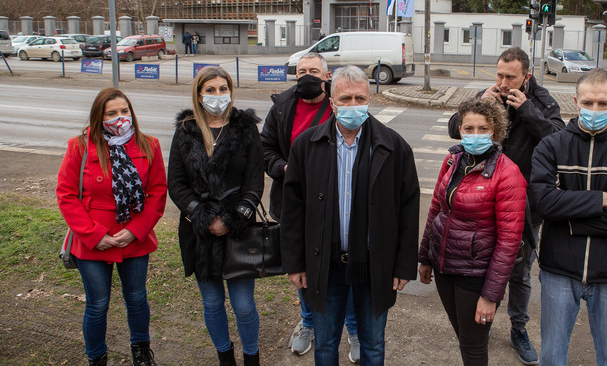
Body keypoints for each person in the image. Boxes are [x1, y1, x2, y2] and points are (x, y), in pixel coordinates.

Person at [281, 65, 420, 366]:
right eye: (345, 99)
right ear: (331, 103)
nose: (353, 105)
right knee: (326, 344)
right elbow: (293, 209)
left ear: (370, 99)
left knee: (372, 345)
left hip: (374, 265)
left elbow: (408, 209)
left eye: (360, 98)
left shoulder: (394, 147)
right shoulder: (306, 146)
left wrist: (404, 265)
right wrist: (294, 262)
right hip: (325, 265)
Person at [448, 46, 564, 365]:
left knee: (519, 272)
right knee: (480, 263)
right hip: (483, 199)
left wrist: (528, 110)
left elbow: (559, 141)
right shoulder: (488, 95)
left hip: (526, 206)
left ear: (526, 77)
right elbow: (453, 129)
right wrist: (483, 104)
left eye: (509, 77)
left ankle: (518, 328)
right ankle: (477, 326)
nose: (502, 82)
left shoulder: (542, 102)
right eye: (498, 74)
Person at [530, 68, 607, 366]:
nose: (594, 109)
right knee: (551, 356)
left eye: (602, 103)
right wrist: (602, 199)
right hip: (559, 269)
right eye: (588, 103)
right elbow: (543, 203)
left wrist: (569, 217)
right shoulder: (551, 146)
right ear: (575, 101)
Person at [56, 87, 167, 366]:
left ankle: (141, 353)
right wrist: (95, 235)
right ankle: (97, 358)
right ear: (99, 117)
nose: (120, 117)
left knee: (137, 298)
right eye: (112, 113)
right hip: (92, 239)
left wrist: (136, 230)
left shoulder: (148, 145)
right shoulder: (79, 147)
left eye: (124, 111)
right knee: (97, 304)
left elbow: (157, 192)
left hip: (134, 238)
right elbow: (67, 195)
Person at [261, 53, 361, 361]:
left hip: (337, 205)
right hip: (295, 204)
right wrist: (286, 168)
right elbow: (265, 149)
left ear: (327, 75)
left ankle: (355, 330)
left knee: (346, 271)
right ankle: (308, 325)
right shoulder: (281, 108)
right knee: (304, 272)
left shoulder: (343, 104)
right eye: (302, 71)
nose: (307, 75)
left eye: (314, 71)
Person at [167, 66, 265, 366]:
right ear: (199, 93)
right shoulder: (185, 130)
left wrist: (235, 217)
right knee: (212, 302)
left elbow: (254, 182)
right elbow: (176, 183)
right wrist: (203, 216)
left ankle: (251, 357)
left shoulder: (245, 128)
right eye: (211, 90)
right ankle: (225, 357)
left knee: (244, 305)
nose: (218, 95)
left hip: (237, 230)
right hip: (200, 232)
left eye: (223, 89)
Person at [419, 98, 527, 366]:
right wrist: (425, 257)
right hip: (446, 268)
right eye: (469, 128)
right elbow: (436, 209)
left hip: (476, 275)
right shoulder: (452, 160)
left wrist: (490, 296)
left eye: (483, 129)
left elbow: (509, 242)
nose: (475, 135)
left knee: (473, 346)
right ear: (460, 129)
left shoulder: (508, 173)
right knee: (465, 338)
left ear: (495, 131)